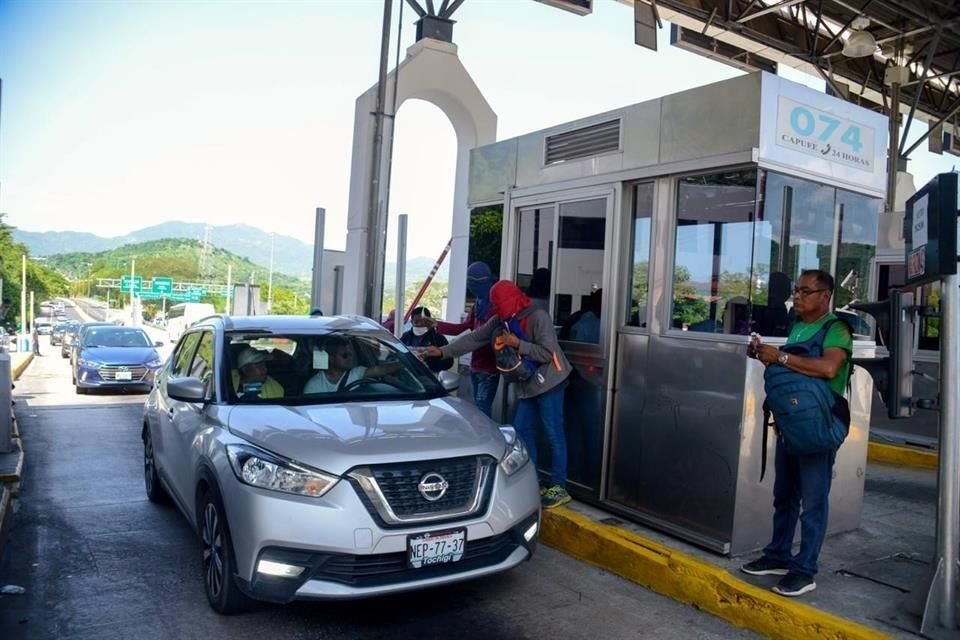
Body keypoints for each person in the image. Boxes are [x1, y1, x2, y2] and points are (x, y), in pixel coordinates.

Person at [741, 269, 853, 597]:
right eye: (796, 291)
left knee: (813, 503)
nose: (798, 297)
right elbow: (796, 374)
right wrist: (766, 356)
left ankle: (805, 570)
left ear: (825, 296)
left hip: (817, 428)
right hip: (791, 425)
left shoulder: (836, 329)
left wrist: (781, 356)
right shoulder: (799, 325)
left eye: (806, 291)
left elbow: (828, 368)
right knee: (785, 495)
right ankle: (778, 555)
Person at [426, 280, 572, 509]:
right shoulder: (501, 319)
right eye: (495, 304)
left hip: (550, 382)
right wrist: (444, 351)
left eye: (499, 303)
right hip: (528, 385)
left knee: (553, 432)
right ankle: (533, 480)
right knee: (521, 432)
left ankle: (559, 486)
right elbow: (475, 338)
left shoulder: (538, 317)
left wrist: (517, 343)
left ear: (512, 299)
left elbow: (547, 353)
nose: (497, 308)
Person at [429, 261, 500, 418]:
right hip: (475, 364)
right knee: (478, 408)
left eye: (473, 282)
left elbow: (478, 336)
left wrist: (444, 350)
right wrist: (437, 324)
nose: (470, 286)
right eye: (469, 282)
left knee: (481, 410)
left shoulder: (496, 307)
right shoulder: (478, 304)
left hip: (489, 367)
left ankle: (485, 434)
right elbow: (465, 327)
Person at [303, 336, 402, 394]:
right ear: (331, 358)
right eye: (345, 355)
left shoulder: (356, 373)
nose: (349, 358)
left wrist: (401, 364)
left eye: (350, 355)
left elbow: (378, 370)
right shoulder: (314, 385)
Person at [401, 307, 453, 373]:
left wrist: (429, 364)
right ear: (411, 322)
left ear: (429, 322)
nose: (419, 324)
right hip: (409, 373)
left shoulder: (438, 338)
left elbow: (449, 362)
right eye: (416, 322)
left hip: (430, 374)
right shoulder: (406, 337)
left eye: (423, 322)